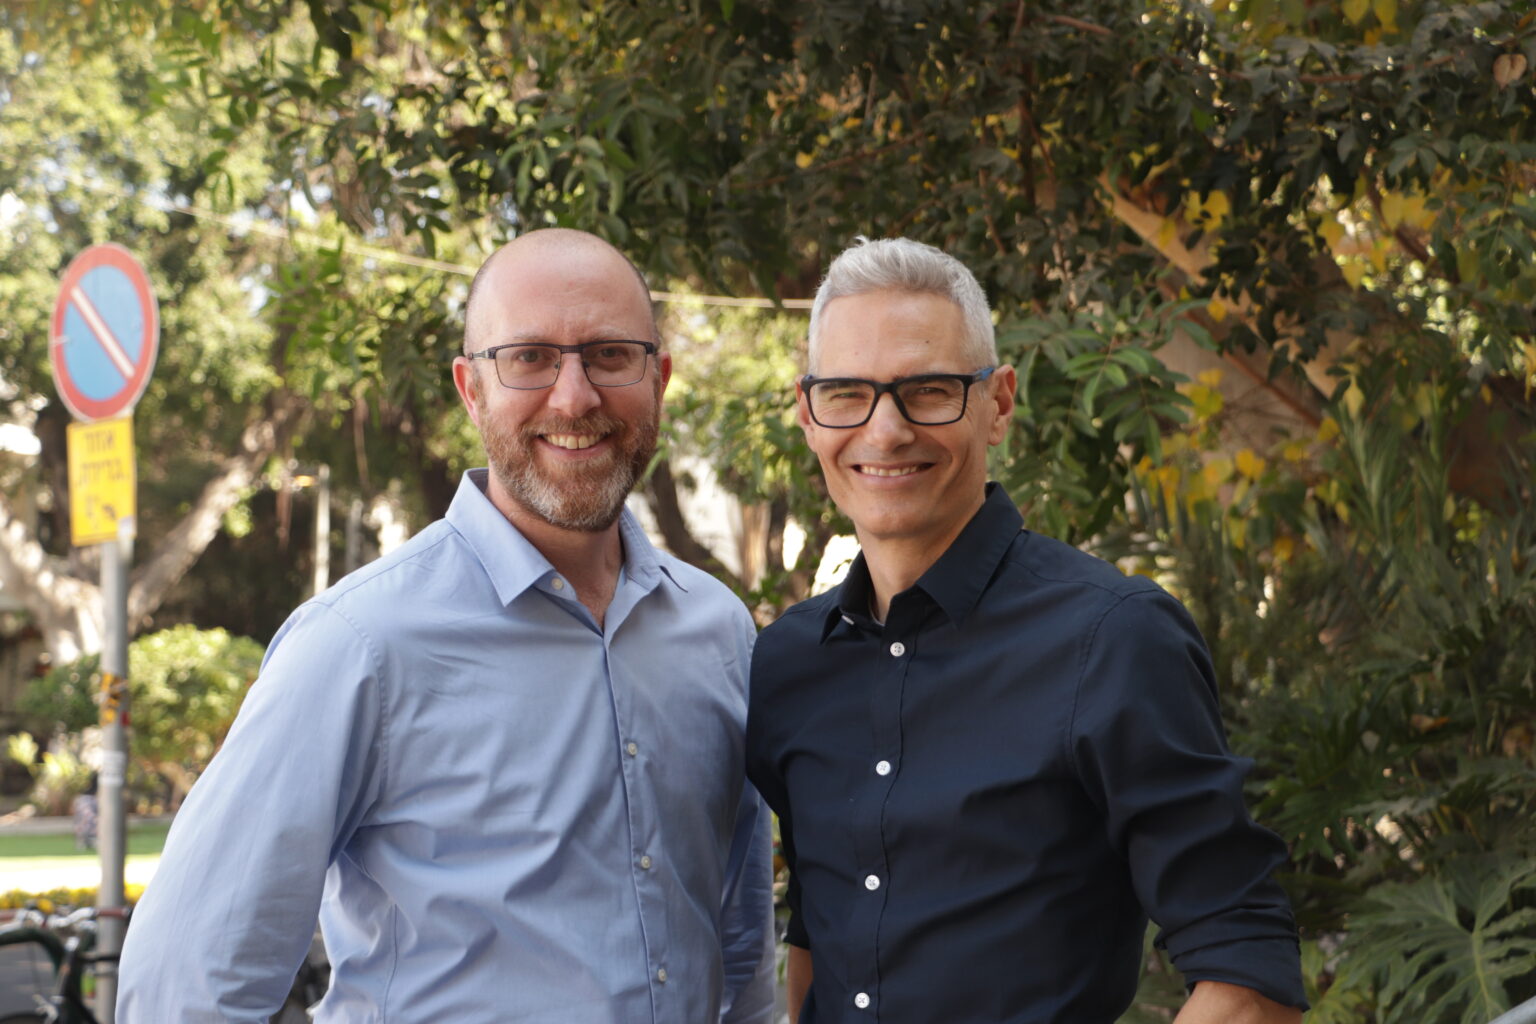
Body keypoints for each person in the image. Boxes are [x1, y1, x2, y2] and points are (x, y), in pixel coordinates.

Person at [119, 229, 776, 1023]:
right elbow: (188, 982)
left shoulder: (717, 632)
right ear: (471, 389)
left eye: (609, 355)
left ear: (659, 378)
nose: (574, 397)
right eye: (529, 358)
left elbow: (737, 951)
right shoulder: (360, 643)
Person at [745, 237, 1307, 1024]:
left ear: (999, 403)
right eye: (846, 393)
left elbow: (1249, 970)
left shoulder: (1112, 641)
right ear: (809, 414)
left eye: (930, 390)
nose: (885, 431)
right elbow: (821, 923)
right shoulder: (789, 663)